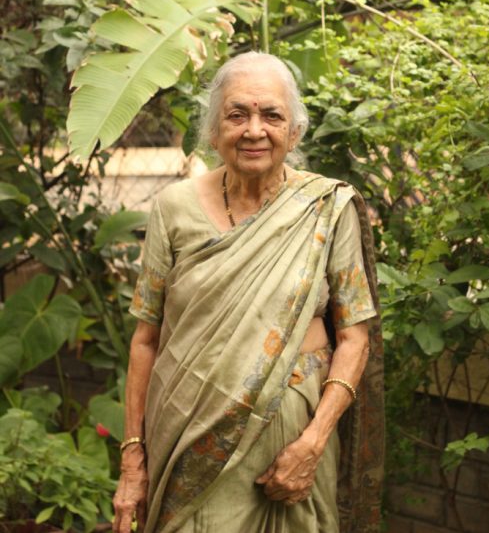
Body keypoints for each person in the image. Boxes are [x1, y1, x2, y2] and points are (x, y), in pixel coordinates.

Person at [113, 52, 384, 533]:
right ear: (213, 131)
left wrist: (314, 440)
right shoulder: (173, 209)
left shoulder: (326, 209)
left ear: (294, 132)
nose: (254, 130)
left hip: (291, 444)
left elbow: (355, 338)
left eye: (271, 115)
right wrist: (133, 460)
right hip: (186, 436)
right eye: (237, 115)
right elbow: (145, 341)